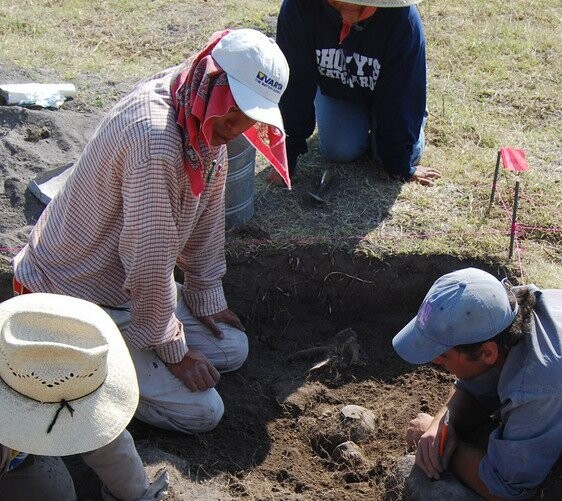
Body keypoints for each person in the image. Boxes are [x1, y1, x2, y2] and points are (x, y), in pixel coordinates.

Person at [13, 28, 290, 434]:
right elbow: (149, 261)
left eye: (251, 115)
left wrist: (206, 294)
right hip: (76, 296)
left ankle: (141, 352)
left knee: (231, 347)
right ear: (213, 82)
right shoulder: (156, 141)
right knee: (203, 411)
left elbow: (206, 221)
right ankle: (93, 383)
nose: (239, 125)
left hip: (125, 288)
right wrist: (174, 351)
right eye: (235, 109)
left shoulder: (193, 104)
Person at [392, 267, 562, 500]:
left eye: (443, 355)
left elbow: (507, 489)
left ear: (487, 352)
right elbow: (475, 384)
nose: (435, 361)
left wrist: (450, 449)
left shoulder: (538, 386)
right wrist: (441, 423)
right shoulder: (502, 312)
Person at [0, 292, 169, 500]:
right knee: (55, 494)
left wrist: (138, 495)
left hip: (16, 451)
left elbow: (106, 438)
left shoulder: (76, 374)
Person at [273, 0, 441, 187]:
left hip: (393, 87)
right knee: (338, 150)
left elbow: (399, 100)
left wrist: (400, 165)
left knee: (401, 154)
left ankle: (417, 111)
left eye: (362, 5)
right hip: (338, 87)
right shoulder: (299, 7)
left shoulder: (403, 20)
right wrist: (286, 155)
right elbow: (294, 84)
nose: (349, 13)